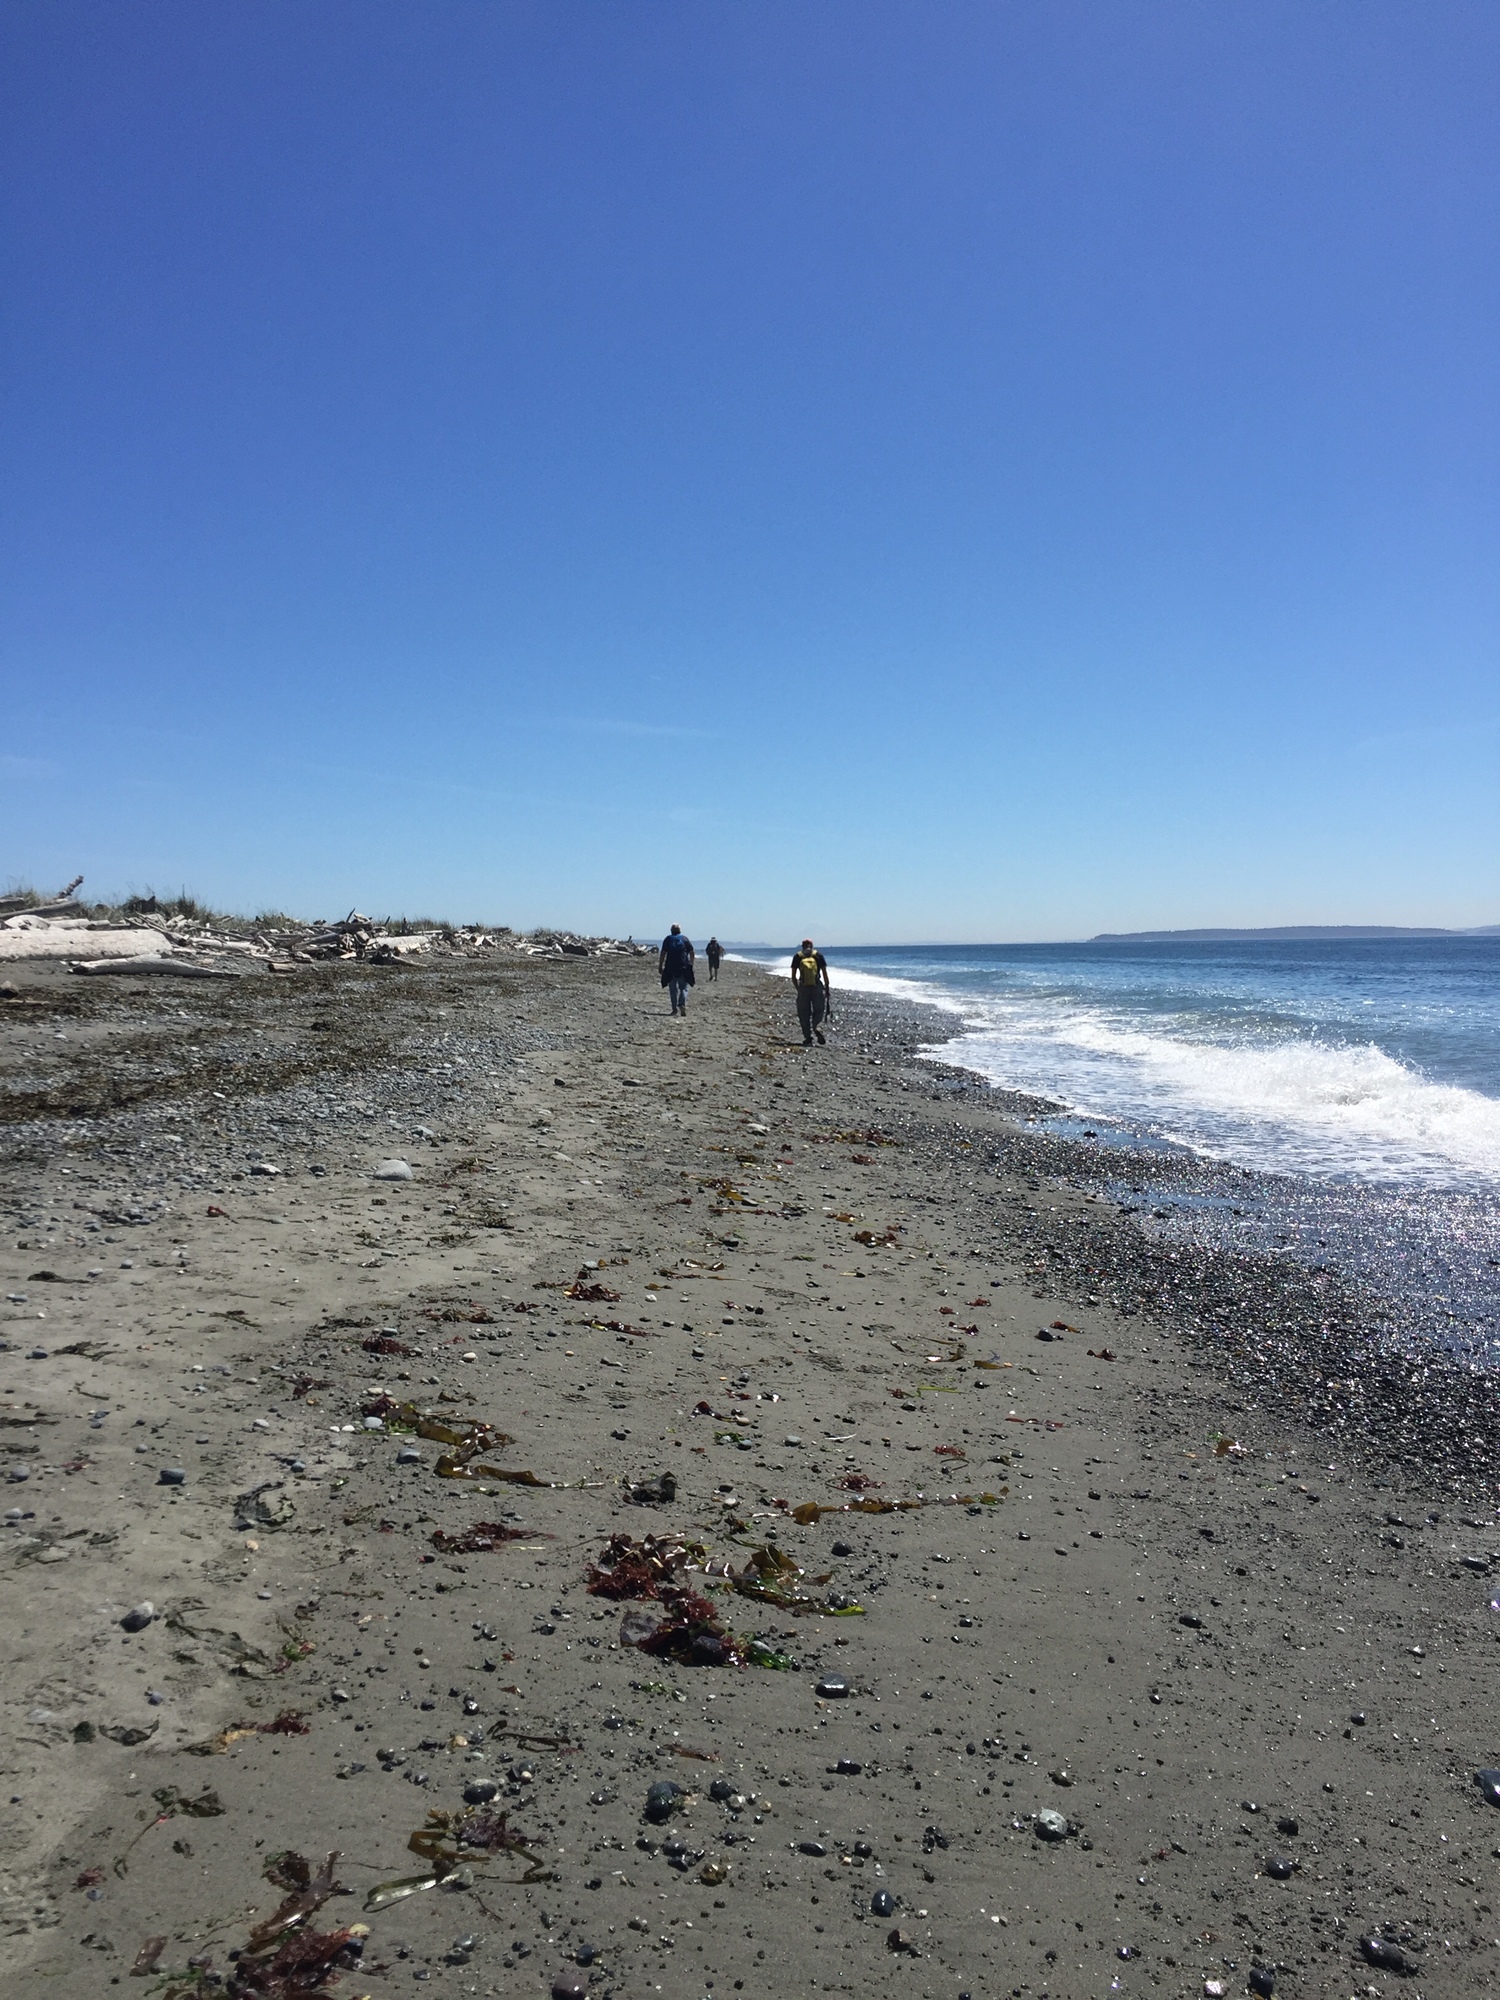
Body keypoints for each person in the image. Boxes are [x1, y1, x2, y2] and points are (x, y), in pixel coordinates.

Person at [790, 937, 830, 1045]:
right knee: (819, 1009)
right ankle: (816, 1027)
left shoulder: (798, 956)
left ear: (802, 946)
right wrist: (827, 988)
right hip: (817, 986)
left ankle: (808, 1038)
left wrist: (798, 988)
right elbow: (825, 974)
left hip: (803, 987)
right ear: (812, 946)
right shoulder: (818, 955)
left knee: (804, 1013)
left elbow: (793, 976)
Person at [658, 924, 696, 1015]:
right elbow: (692, 951)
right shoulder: (684, 939)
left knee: (673, 989)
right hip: (683, 966)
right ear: (679, 930)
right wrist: (691, 963)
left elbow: (663, 953)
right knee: (683, 987)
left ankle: (674, 1009)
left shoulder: (668, 939)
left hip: (670, 967)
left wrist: (660, 965)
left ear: (671, 930)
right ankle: (681, 1003)